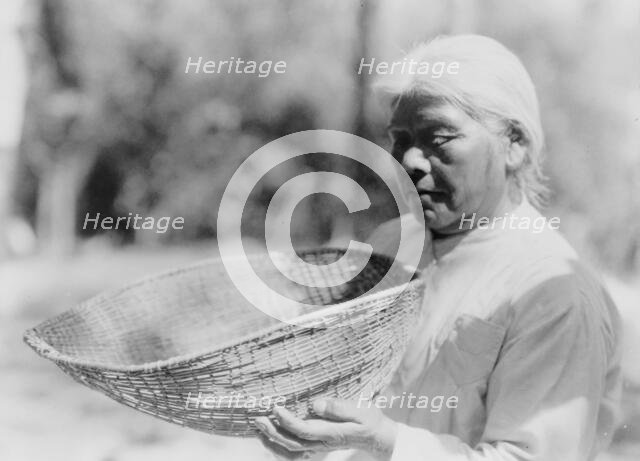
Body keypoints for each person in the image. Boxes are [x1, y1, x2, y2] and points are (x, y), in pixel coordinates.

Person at [255, 34, 622, 461]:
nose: (409, 159)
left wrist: (387, 442)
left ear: (514, 145)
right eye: (401, 137)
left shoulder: (551, 292)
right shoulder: (393, 243)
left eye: (439, 137)